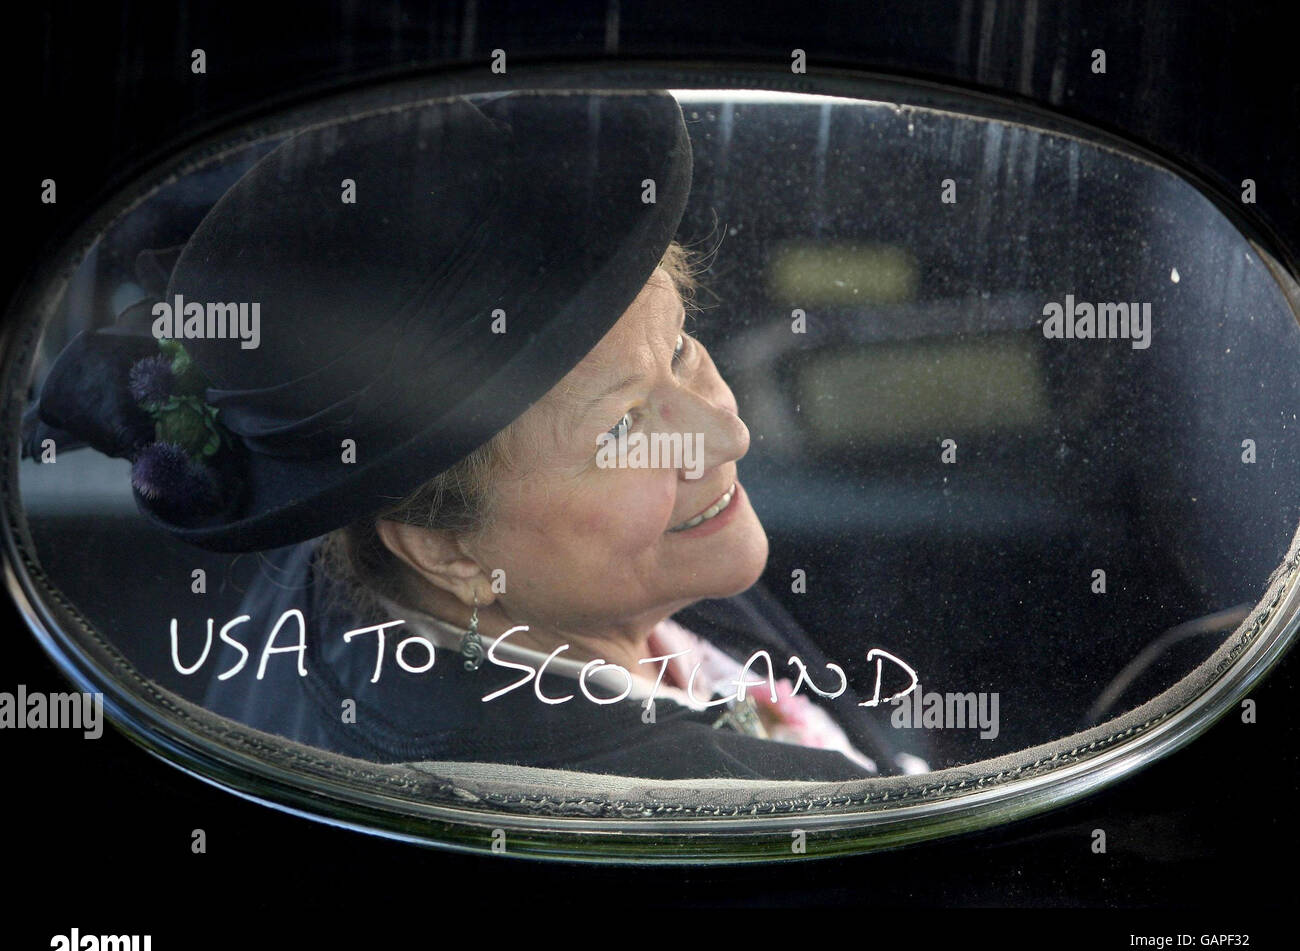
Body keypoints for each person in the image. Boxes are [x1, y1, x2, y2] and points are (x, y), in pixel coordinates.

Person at [24, 90, 927, 780]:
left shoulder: (351, 581)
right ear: (444, 545)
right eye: (621, 430)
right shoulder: (719, 816)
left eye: (683, 349)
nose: (725, 431)